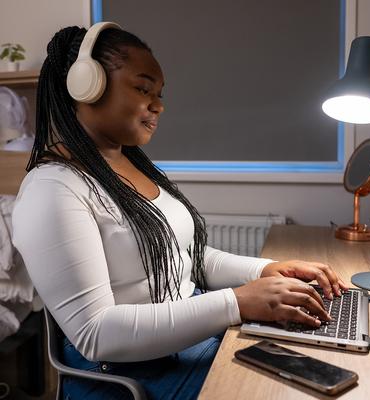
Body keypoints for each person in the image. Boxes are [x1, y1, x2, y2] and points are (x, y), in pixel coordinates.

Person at [12, 22, 348, 400]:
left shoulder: (132, 167)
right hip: (132, 377)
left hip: (193, 339)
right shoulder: (52, 191)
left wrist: (265, 269)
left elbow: (185, 257)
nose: (159, 105)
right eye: (142, 89)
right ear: (85, 86)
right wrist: (238, 302)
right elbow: (96, 333)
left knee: (325, 371)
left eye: (159, 93)